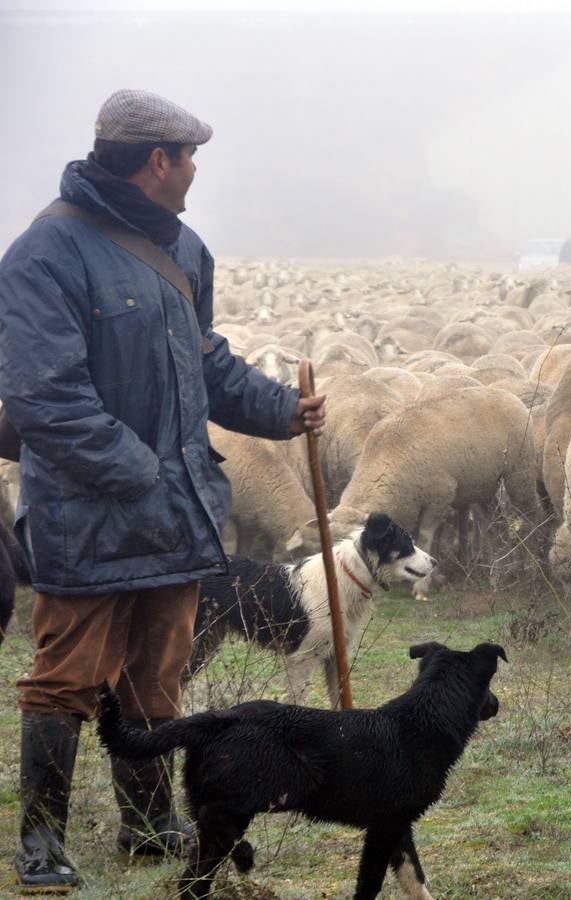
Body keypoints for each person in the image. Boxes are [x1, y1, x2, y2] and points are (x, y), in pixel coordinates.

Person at [0, 89, 326, 891]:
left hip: (177, 515)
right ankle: (40, 840)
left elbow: (207, 364)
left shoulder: (183, 251)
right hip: (90, 518)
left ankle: (148, 827)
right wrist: (138, 469)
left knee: (156, 678)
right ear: (159, 161)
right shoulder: (46, 254)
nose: (193, 174)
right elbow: (44, 397)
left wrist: (282, 410)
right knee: (65, 679)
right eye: (188, 159)